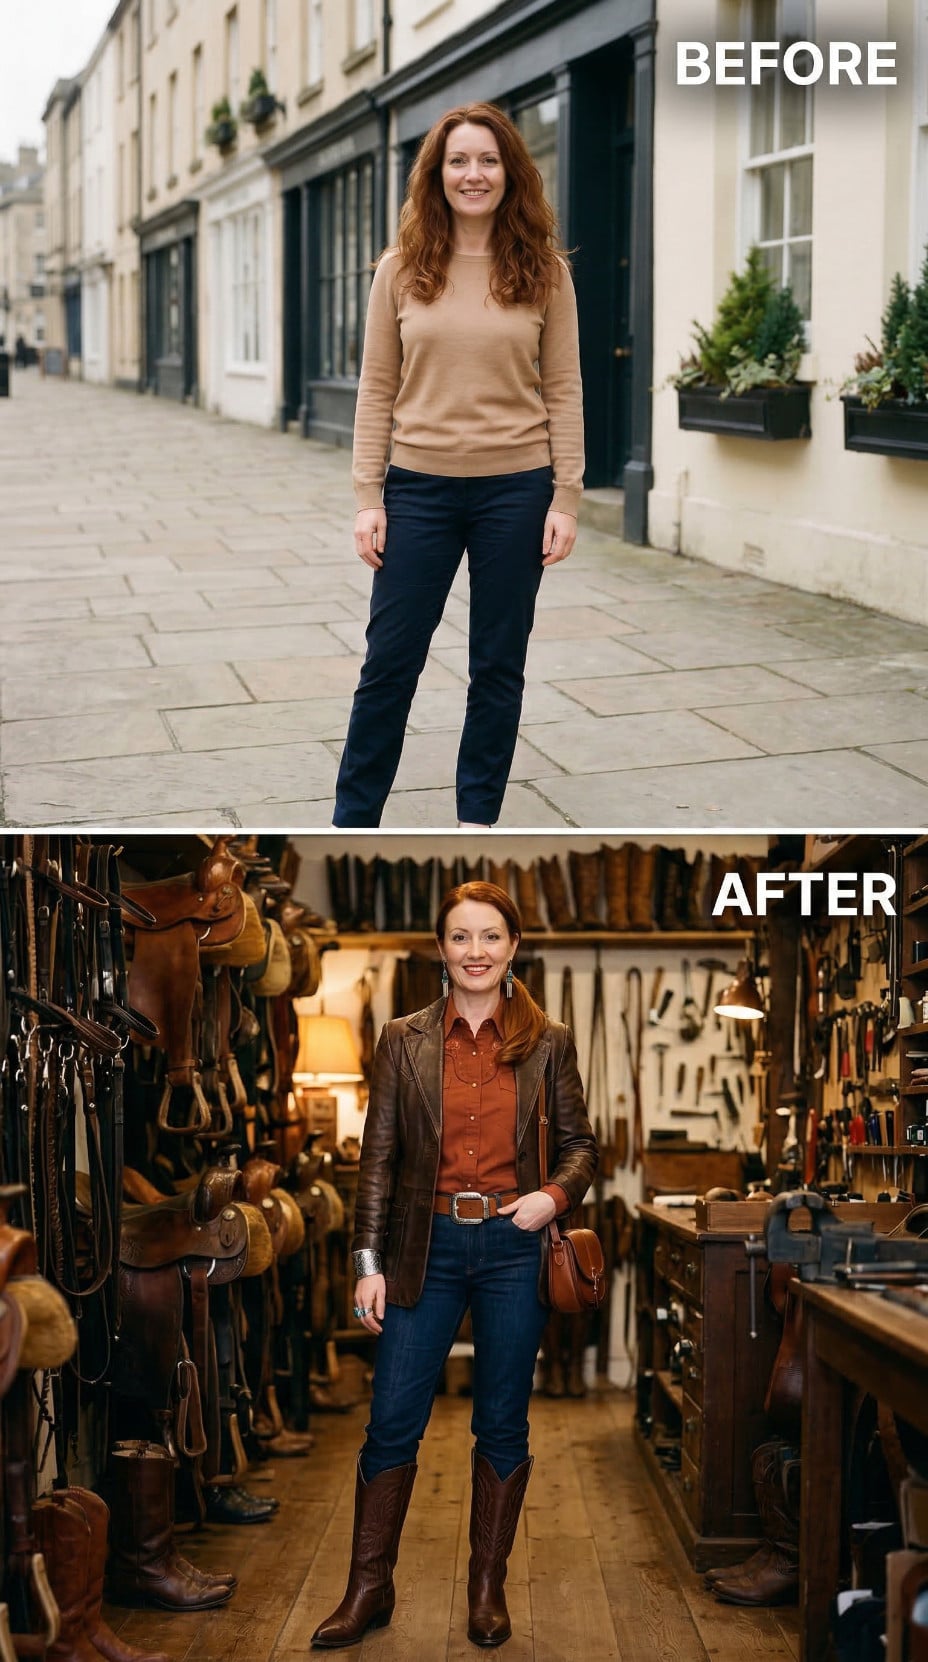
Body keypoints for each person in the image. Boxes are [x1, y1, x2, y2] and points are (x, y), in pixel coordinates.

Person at [311, 880, 597, 1650]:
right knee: (390, 1422)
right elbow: (378, 1159)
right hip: (422, 1250)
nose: (476, 952)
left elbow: (581, 1148)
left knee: (502, 1423)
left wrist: (551, 1197)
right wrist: (367, 1261)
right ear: (441, 950)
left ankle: (486, 1590)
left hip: (513, 1247)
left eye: (491, 937)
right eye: (461, 938)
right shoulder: (404, 1038)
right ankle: (368, 1588)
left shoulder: (549, 1040)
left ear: (513, 948)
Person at [332, 101, 584, 830]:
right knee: (389, 665)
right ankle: (353, 819)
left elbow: (563, 385)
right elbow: (377, 385)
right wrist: (367, 493)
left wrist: (565, 496)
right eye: (458, 162)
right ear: (436, 176)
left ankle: (478, 818)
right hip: (419, 490)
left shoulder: (545, 273)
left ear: (511, 172)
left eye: (488, 160)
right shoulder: (401, 272)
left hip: (518, 490)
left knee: (497, 666)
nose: (473, 174)